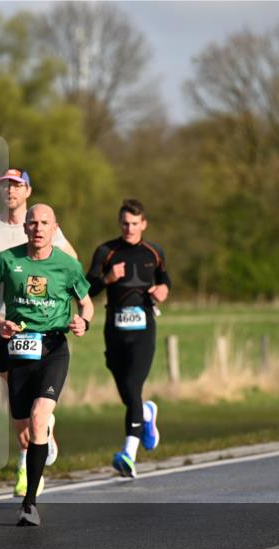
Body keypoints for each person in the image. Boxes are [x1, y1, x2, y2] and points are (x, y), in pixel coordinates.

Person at [0, 204, 94, 526]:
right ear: (25, 228)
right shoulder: (7, 260)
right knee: (25, 430)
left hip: (54, 347)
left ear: (55, 228)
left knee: (41, 417)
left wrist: (84, 322)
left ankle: (30, 504)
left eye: (44, 223)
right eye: (33, 223)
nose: (38, 228)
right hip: (19, 349)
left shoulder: (67, 266)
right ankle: (37, 450)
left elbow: (87, 303)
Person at [0, 168, 78, 498]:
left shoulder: (43, 224)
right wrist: (6, 266)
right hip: (2, 322)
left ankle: (29, 466)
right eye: (5, 186)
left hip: (42, 325)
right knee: (15, 398)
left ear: (28, 190)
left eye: (17, 186)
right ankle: (35, 434)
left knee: (36, 408)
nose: (10, 191)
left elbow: (72, 262)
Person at [85, 199, 171, 478]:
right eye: (125, 223)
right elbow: (87, 288)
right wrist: (107, 279)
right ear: (119, 223)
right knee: (125, 389)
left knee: (133, 385)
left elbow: (165, 280)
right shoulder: (106, 251)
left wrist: (163, 290)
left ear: (143, 224)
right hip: (115, 328)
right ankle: (145, 413)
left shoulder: (154, 251)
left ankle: (128, 454)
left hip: (144, 328)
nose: (129, 228)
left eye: (135, 223)